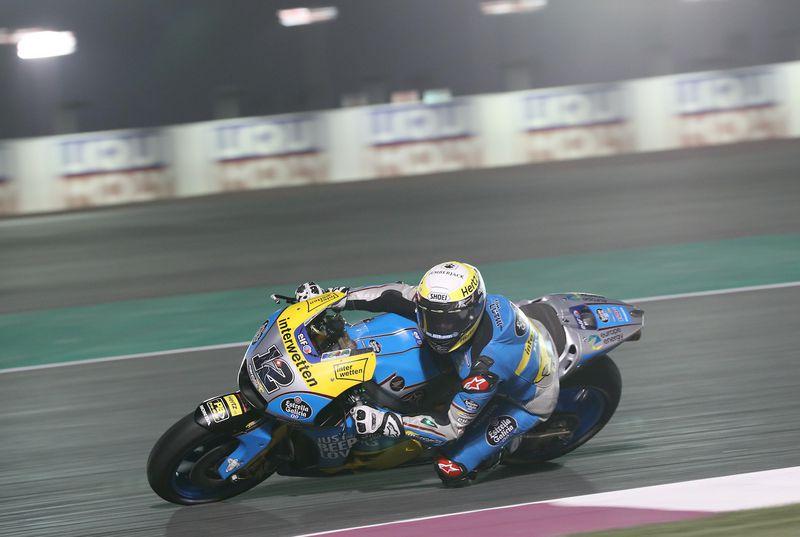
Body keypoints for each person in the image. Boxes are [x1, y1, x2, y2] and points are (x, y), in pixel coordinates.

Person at [294, 261, 559, 487]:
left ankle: (502, 448)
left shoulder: (485, 368)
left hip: (528, 399)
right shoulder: (449, 304)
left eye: (448, 321)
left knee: (451, 468)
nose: (438, 328)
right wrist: (332, 298)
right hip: (491, 353)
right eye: (431, 317)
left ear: (472, 312)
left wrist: (389, 422)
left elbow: (450, 427)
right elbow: (393, 294)